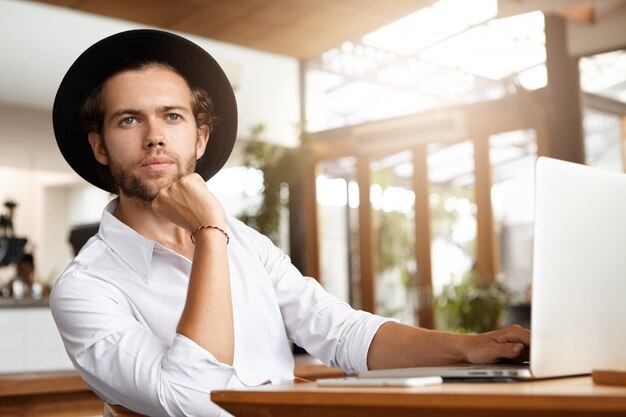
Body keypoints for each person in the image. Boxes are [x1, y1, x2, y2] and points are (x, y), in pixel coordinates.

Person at [50, 30, 529, 417]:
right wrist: (210, 233)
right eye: (129, 120)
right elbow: (195, 398)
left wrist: (467, 349)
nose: (155, 137)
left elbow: (340, 332)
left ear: (199, 138)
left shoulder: (246, 242)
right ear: (99, 147)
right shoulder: (85, 287)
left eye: (171, 116)